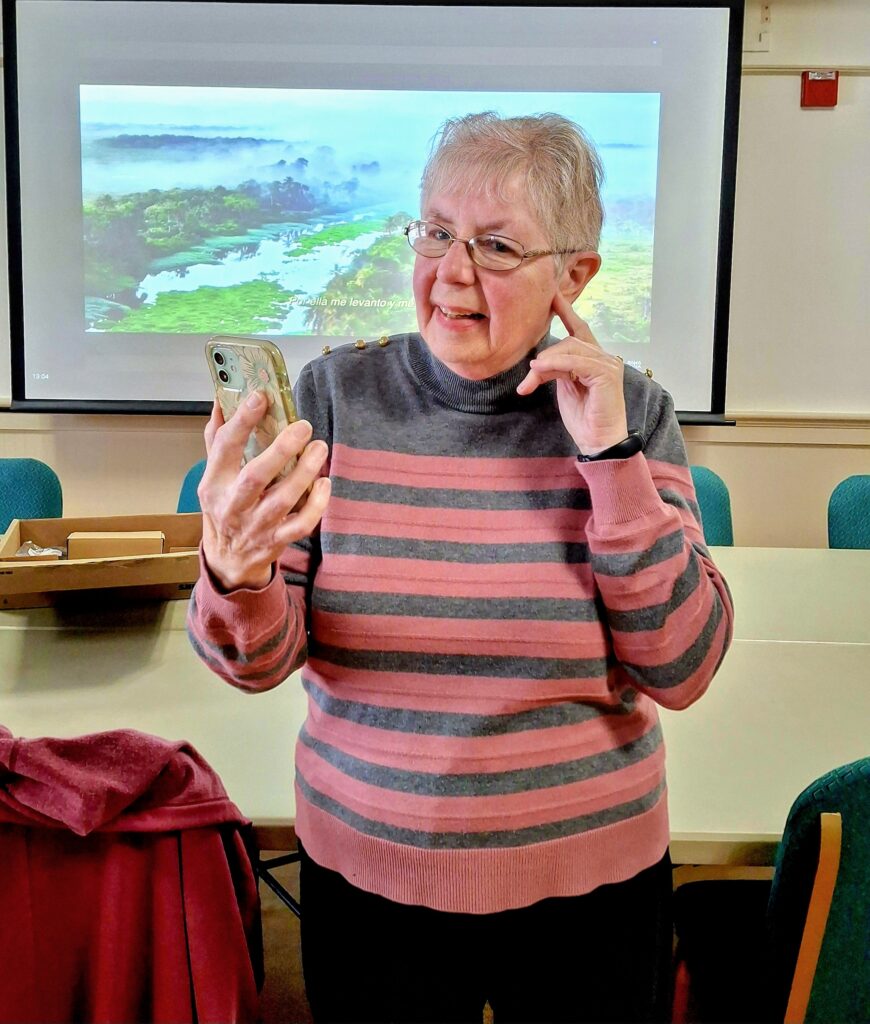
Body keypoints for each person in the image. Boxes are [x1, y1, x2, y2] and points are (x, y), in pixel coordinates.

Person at [188, 112, 734, 1024]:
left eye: (495, 246)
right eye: (436, 232)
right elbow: (255, 664)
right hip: (371, 873)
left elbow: (683, 667)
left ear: (575, 274)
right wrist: (237, 574)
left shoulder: (629, 408)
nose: (451, 272)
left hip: (590, 885)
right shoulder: (331, 398)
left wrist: (609, 460)